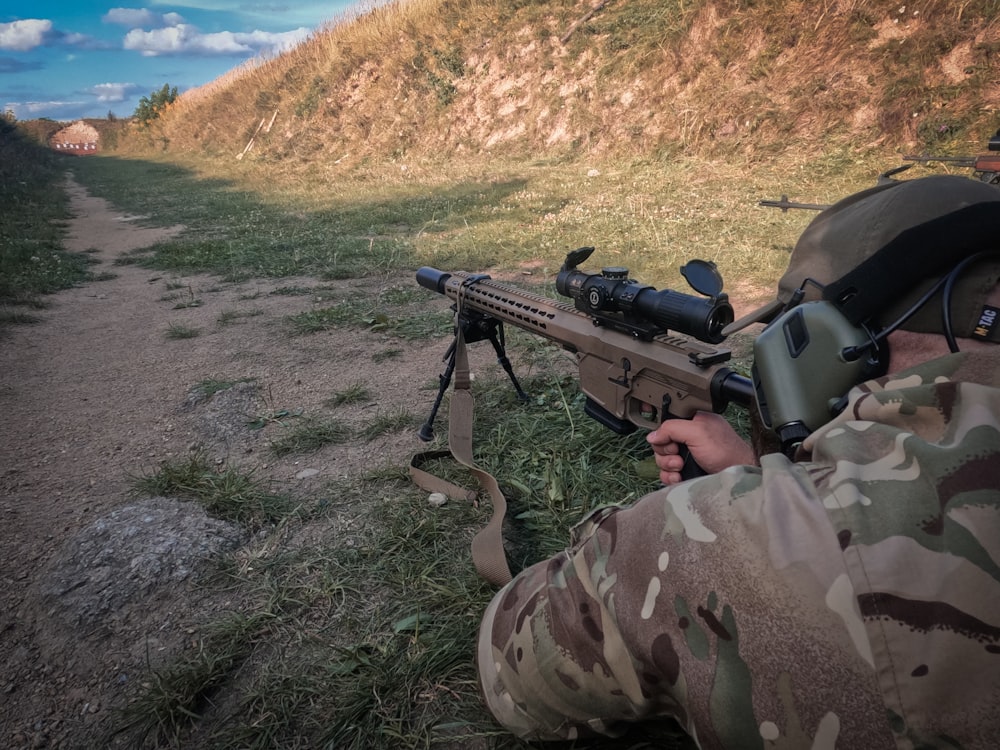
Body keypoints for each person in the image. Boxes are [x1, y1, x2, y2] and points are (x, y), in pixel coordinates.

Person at [476, 174, 1000, 749]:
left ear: (827, 341)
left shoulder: (710, 542)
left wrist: (709, 514)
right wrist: (768, 473)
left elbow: (509, 668)